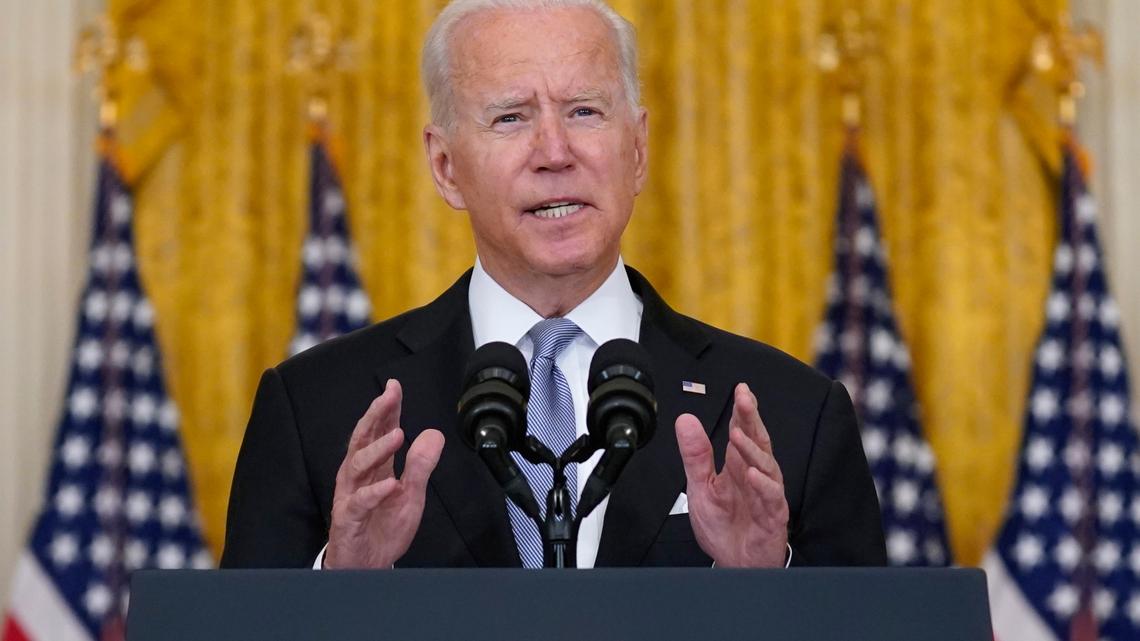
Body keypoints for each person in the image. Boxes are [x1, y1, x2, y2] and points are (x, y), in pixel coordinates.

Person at [220, 0, 886, 570]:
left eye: (586, 111)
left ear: (639, 148)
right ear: (446, 165)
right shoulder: (315, 412)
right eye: (511, 117)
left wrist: (771, 587)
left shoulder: (795, 416)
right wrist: (339, 584)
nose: (555, 151)